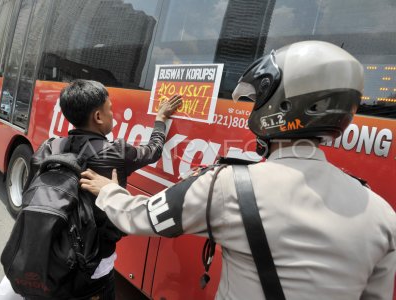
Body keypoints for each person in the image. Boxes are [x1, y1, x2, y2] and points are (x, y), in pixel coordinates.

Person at [80, 41, 396, 300]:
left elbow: (141, 216)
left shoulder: (228, 186)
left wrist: (107, 191)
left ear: (280, 106)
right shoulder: (383, 215)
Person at [24, 79, 182, 299]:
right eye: (110, 110)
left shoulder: (49, 146)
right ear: (98, 117)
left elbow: (29, 193)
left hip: (50, 252)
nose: (113, 116)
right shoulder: (117, 152)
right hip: (94, 264)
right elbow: (153, 150)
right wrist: (161, 119)